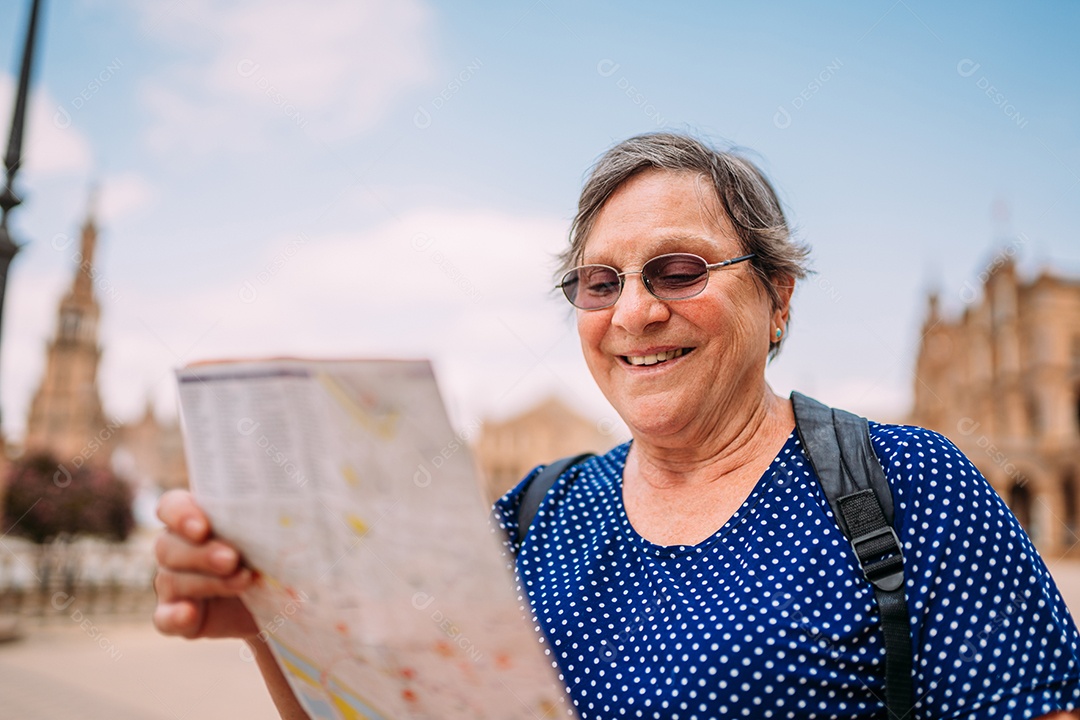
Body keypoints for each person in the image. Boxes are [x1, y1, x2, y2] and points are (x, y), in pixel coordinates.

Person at [154, 132, 1080, 719]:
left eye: (678, 270)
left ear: (778, 296)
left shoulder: (912, 485)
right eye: (600, 283)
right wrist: (273, 621)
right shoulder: (534, 513)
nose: (634, 312)